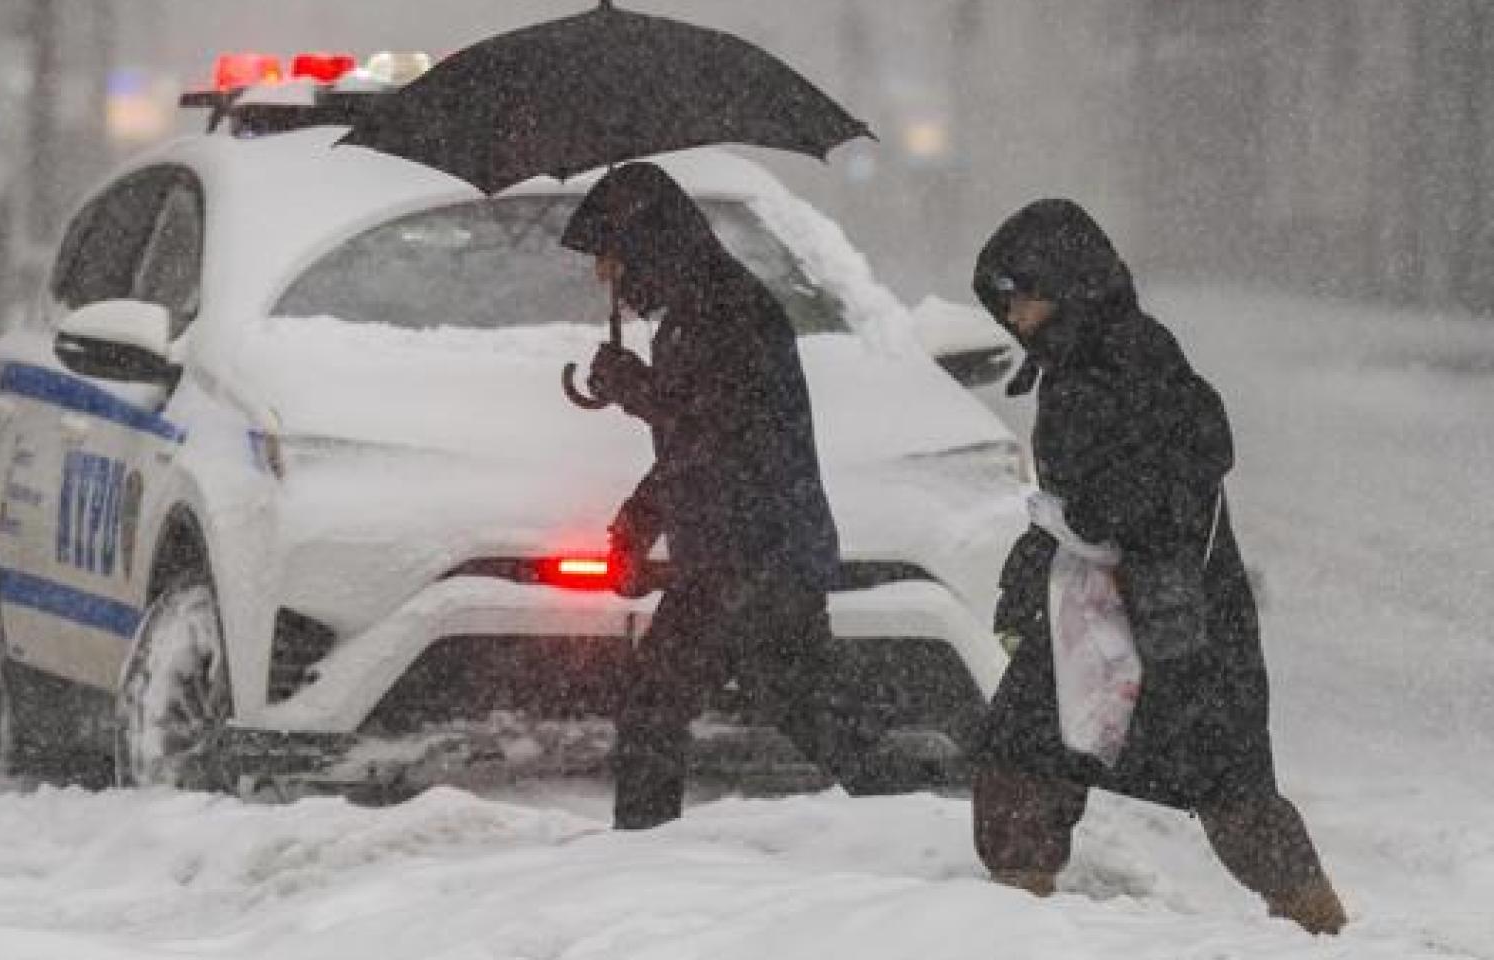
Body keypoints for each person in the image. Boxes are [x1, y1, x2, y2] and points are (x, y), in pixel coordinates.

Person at [967, 198, 1347, 934]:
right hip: (1105, 608)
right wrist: (1049, 545)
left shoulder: (1130, 357)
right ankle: (1005, 928)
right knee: (1023, 764)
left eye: (1024, 299)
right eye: (1005, 304)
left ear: (1069, 286)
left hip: (1175, 615)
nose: (1014, 319)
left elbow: (1195, 454)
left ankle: (1324, 932)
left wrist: (1103, 510)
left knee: (1232, 794)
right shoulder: (1082, 357)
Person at [560, 162, 922, 830]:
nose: (603, 276)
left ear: (646, 245)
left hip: (754, 554)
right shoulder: (695, 311)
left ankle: (642, 858)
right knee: (794, 703)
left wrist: (637, 391)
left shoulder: (728, 310)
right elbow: (693, 443)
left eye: (609, 257)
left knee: (663, 704)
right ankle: (914, 811)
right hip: (742, 553)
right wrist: (640, 517)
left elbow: (721, 428)